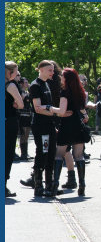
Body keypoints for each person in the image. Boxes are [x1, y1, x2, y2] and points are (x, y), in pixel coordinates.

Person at [39, 68, 89, 196]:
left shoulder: (65, 93)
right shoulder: (80, 92)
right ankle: (82, 184)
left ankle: (55, 184)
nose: (60, 77)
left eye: (62, 76)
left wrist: (48, 107)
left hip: (67, 126)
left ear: (66, 79)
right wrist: (85, 115)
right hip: (78, 125)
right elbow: (82, 109)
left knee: (59, 154)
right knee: (79, 155)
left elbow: (61, 112)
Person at [29, 60, 58, 196]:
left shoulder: (47, 84)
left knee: (51, 153)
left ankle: (50, 185)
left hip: (49, 125)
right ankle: (38, 185)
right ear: (41, 70)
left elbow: (45, 107)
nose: (52, 72)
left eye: (53, 70)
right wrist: (55, 111)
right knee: (42, 153)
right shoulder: (35, 86)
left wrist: (52, 113)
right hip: (41, 126)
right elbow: (37, 108)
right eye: (50, 70)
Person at [5, 61, 24, 197]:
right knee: (8, 152)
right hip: (9, 121)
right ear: (9, 72)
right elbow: (21, 104)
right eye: (16, 72)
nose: (17, 74)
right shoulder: (10, 85)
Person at [17, 76, 33, 161]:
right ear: (22, 84)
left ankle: (26, 152)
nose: (27, 84)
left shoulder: (27, 91)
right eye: (26, 82)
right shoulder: (21, 92)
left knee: (27, 134)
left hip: (28, 115)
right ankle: (23, 154)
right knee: (23, 135)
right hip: (22, 116)